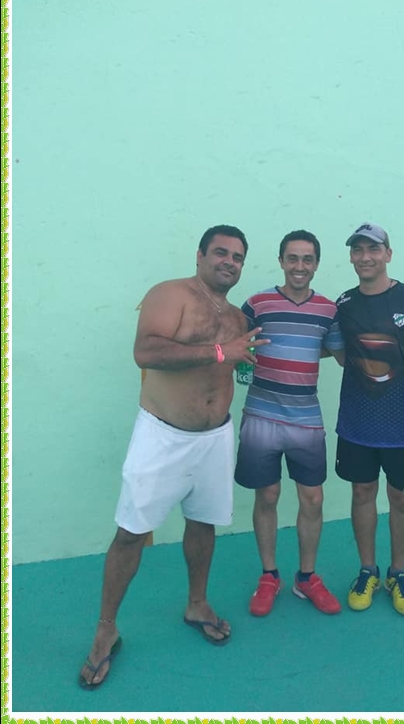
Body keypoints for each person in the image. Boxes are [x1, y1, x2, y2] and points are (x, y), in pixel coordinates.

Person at [78, 224, 270, 690]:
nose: (229, 262)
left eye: (238, 257)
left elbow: (234, 367)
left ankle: (197, 604)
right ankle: (106, 630)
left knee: (203, 524)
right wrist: (222, 352)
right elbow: (146, 351)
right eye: (221, 252)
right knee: (130, 534)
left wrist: (246, 361)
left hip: (215, 437)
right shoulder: (171, 294)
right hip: (162, 435)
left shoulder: (238, 319)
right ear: (200, 255)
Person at [335, 222, 404, 617]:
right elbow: (339, 351)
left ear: (388, 254)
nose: (365, 257)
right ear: (351, 256)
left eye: (373, 249)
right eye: (358, 250)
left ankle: (398, 574)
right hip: (357, 423)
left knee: (401, 498)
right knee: (361, 494)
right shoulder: (344, 304)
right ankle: (367, 571)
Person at [234, 230, 345, 616]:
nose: (300, 266)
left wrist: (403, 362)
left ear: (316, 264)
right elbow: (234, 346)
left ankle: (306, 578)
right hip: (261, 415)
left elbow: (339, 353)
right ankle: (269, 576)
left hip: (306, 419)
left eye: (307, 259)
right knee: (266, 496)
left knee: (313, 498)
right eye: (293, 258)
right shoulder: (257, 304)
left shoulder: (329, 311)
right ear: (281, 261)